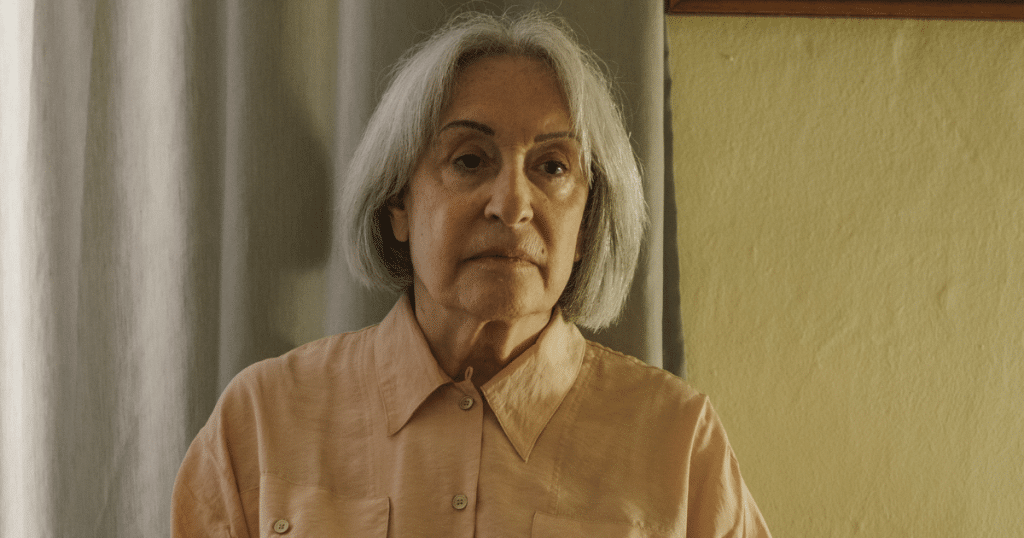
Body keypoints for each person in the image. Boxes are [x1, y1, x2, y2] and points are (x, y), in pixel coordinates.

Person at [172, 10, 771, 537]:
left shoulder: (678, 442)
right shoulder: (261, 421)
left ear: (588, 224)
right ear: (398, 203)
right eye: (468, 160)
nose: (512, 204)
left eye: (553, 166)